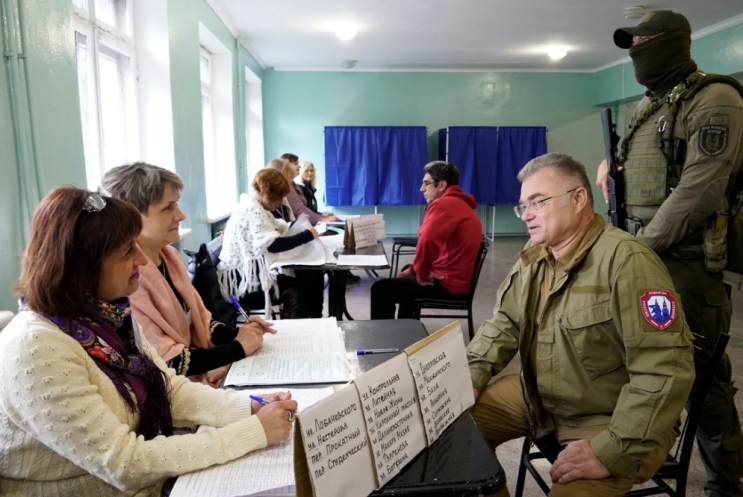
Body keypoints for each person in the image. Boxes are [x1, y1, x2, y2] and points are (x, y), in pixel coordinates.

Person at [0, 186, 297, 496]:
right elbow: (125, 463)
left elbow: (168, 390)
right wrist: (252, 432)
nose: (142, 260)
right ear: (82, 266)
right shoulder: (35, 348)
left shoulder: (109, 316)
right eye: (128, 250)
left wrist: (248, 407)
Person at [468, 153, 695, 496]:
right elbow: (504, 324)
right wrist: (470, 377)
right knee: (453, 431)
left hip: (611, 419)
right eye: (522, 206)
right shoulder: (538, 254)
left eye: (537, 202)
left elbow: (664, 372)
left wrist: (612, 449)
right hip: (542, 396)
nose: (526, 215)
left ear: (578, 199)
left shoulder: (628, 262)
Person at [596, 11, 743, 496]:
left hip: (684, 265)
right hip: (644, 256)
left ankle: (725, 483)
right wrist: (608, 165)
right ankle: (637, 452)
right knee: (633, 361)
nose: (635, 50)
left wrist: (638, 250)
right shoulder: (649, 106)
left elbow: (698, 193)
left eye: (642, 41)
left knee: (706, 382)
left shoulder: (715, 99)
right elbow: (641, 166)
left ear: (674, 43)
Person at [102, 163, 274, 386]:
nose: (181, 215)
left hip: (190, 379)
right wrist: (238, 348)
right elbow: (165, 360)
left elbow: (200, 322)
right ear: (132, 216)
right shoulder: (127, 278)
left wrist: (240, 334)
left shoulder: (169, 256)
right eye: (168, 208)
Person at [370, 161, 482, 320]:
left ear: (441, 185)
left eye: (426, 184)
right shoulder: (460, 203)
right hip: (460, 280)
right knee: (409, 269)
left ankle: (386, 339)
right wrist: (414, 270)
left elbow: (427, 242)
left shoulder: (444, 204)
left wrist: (421, 274)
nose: (422, 189)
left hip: (449, 284)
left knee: (381, 289)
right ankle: (406, 330)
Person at [218, 168, 324, 318]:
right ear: (269, 195)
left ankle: (314, 322)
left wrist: (299, 225)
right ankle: (300, 328)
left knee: (313, 274)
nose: (281, 203)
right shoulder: (251, 210)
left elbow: (276, 227)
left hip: (249, 275)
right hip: (244, 283)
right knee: (300, 285)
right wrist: (307, 235)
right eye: (279, 198)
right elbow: (273, 245)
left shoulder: (255, 207)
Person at [280, 153, 337, 224]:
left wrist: (320, 215)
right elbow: (298, 209)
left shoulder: (293, 185)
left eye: (311, 170)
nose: (299, 166)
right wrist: (320, 218)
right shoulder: (288, 185)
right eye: (295, 163)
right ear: (286, 166)